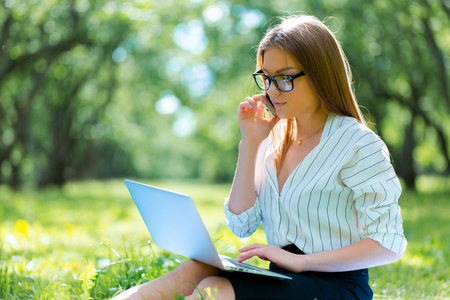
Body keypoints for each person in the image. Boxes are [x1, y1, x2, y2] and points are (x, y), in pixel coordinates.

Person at [113, 14, 406, 300]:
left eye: (284, 79)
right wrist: (250, 143)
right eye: (266, 77)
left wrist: (302, 262)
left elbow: (388, 244)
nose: (272, 90)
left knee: (214, 290)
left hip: (337, 287)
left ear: (320, 74)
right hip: (282, 278)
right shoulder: (272, 139)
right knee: (195, 270)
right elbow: (242, 224)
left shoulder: (358, 144)